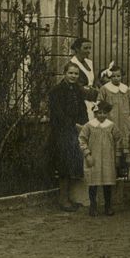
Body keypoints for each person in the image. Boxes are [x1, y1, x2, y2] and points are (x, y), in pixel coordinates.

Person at [47, 62, 88, 212]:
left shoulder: (77, 90)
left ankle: (70, 197)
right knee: (64, 164)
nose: (73, 76)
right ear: (64, 73)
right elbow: (58, 114)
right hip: (61, 132)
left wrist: (84, 125)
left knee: (73, 163)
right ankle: (62, 199)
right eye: (70, 73)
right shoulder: (56, 91)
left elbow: (82, 109)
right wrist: (73, 125)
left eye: (76, 74)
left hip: (76, 131)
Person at [79, 101, 123, 217]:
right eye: (99, 113)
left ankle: (108, 206)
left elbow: (118, 140)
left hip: (108, 159)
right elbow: (82, 140)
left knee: (107, 183)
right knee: (93, 183)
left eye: (104, 113)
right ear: (95, 113)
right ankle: (93, 206)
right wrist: (87, 154)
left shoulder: (111, 126)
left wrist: (117, 155)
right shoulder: (89, 126)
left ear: (107, 114)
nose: (101, 115)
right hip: (94, 158)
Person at [97, 62, 130, 137]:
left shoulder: (125, 89)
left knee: (124, 131)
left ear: (121, 76)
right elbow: (100, 102)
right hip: (111, 115)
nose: (116, 78)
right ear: (110, 77)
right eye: (113, 76)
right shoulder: (105, 88)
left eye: (118, 76)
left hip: (124, 115)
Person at [67, 37, 99, 121]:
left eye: (89, 48)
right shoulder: (72, 65)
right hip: (80, 101)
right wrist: (95, 93)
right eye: (85, 48)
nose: (88, 51)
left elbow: (94, 80)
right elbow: (77, 86)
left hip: (92, 101)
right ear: (77, 49)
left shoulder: (89, 62)